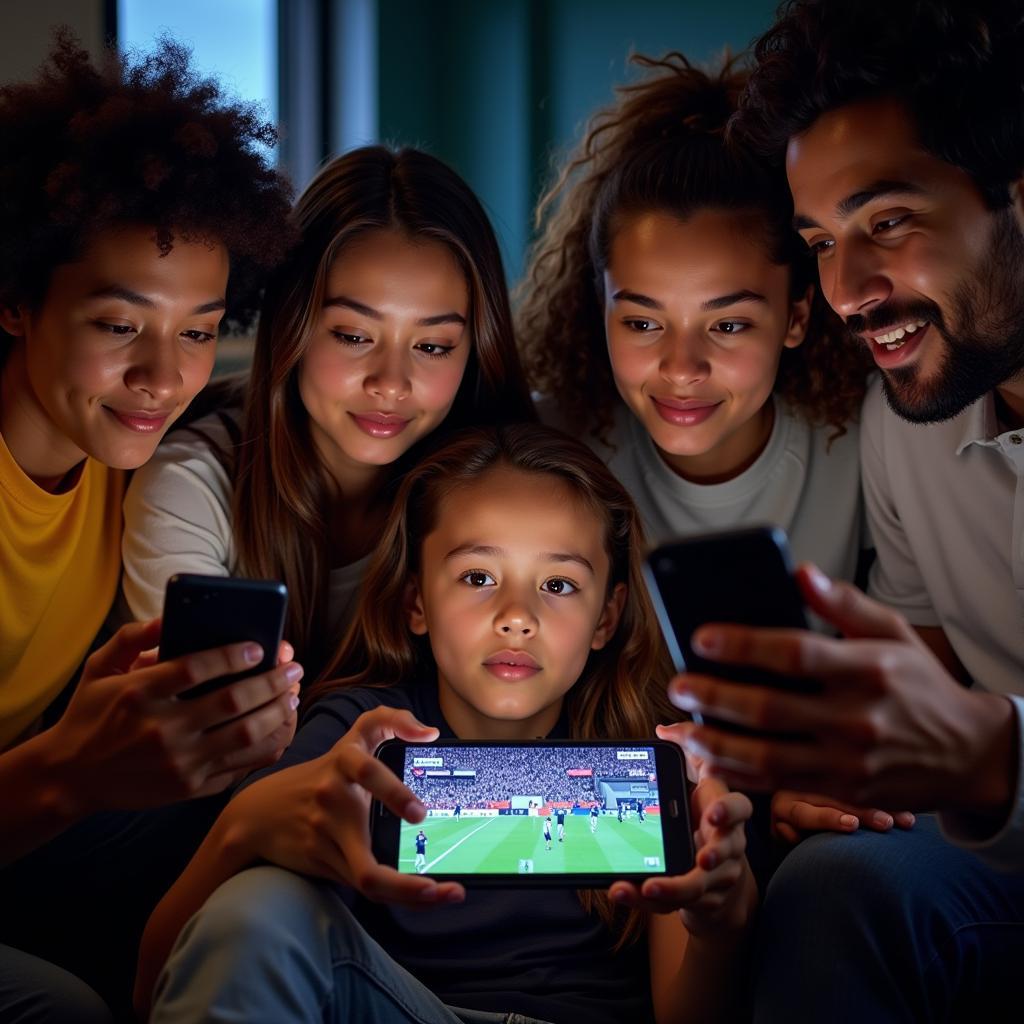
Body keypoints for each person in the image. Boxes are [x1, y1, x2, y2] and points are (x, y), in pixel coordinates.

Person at [135, 424, 757, 1024]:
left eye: (559, 583)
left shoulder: (658, 756)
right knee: (260, 901)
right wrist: (242, 828)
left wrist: (719, 919)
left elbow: (690, 1013)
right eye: (478, 577)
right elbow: (158, 987)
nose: (517, 616)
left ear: (606, 617)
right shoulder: (361, 735)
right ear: (417, 601)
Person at [667, 1, 1024, 1019]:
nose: (845, 290)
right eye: (820, 241)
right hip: (987, 868)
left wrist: (986, 753)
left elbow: (964, 732)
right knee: (832, 884)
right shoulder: (904, 419)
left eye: (889, 222)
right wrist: (834, 775)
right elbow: (927, 676)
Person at [518, 50, 905, 853]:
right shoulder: (548, 456)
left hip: (811, 810)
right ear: (600, 312)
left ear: (798, 317)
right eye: (643, 321)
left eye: (727, 324)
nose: (681, 368)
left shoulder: (871, 442)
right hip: (611, 815)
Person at [0, 33, 298, 1022]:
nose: (164, 377)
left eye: (199, 330)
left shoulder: (132, 465)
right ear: (16, 297)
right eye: (119, 324)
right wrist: (69, 768)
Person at [121, 144, 535, 683]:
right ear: (292, 325)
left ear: (475, 350)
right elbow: (208, 731)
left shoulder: (521, 493)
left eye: (433, 346)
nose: (390, 383)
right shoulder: (190, 486)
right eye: (353, 335)